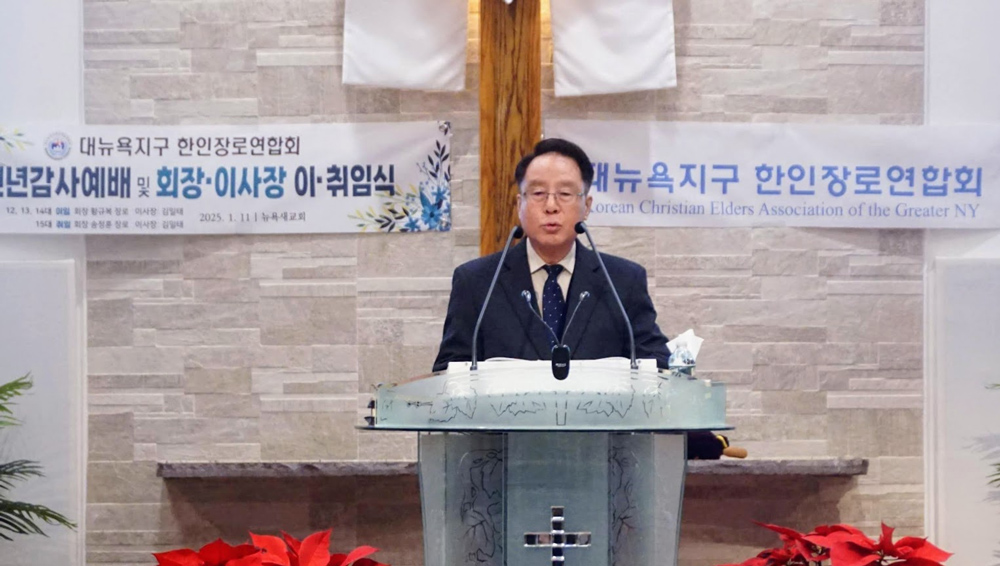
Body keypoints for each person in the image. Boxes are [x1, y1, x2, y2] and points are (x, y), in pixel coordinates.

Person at [432, 138, 671, 372]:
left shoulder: (623, 281)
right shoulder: (476, 282)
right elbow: (449, 370)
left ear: (586, 207)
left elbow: (657, 363)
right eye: (538, 193)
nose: (551, 206)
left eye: (565, 194)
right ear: (519, 204)